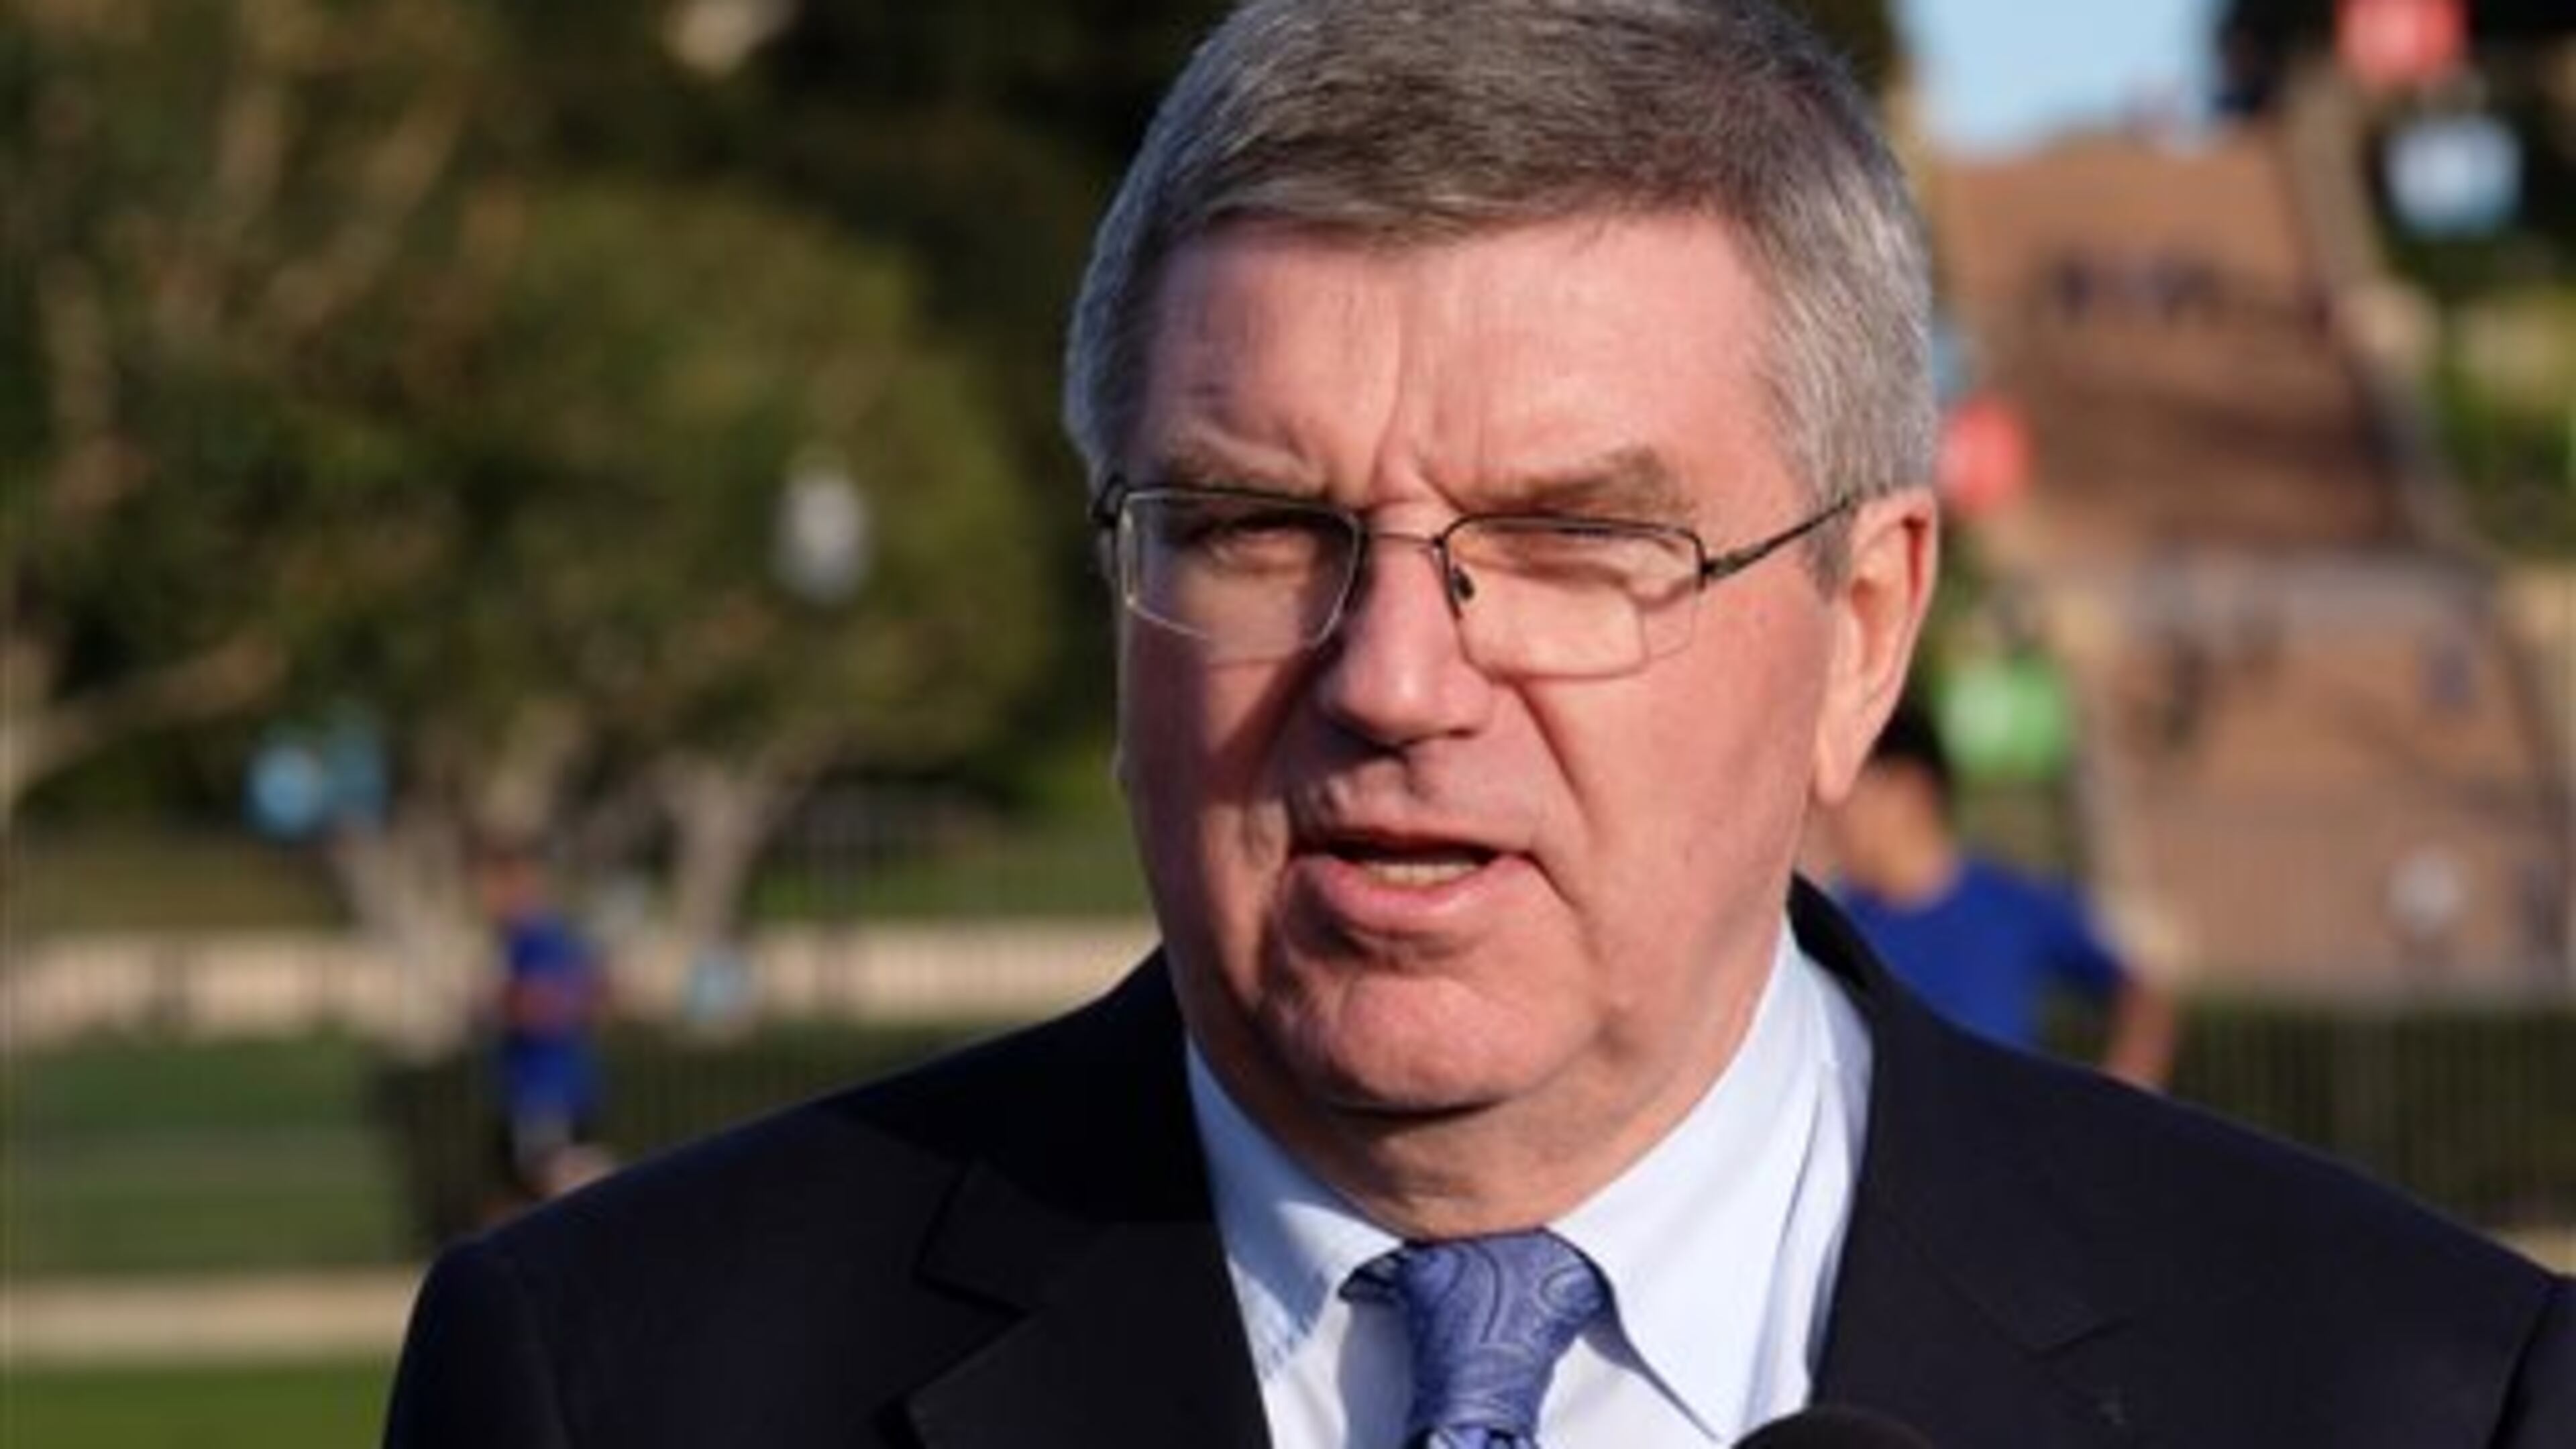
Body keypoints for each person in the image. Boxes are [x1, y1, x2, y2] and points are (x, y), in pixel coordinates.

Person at [385, 2, 2573, 1445]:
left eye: (1567, 543)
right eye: (1255, 526)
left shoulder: (2408, 1396)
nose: (1397, 677)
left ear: (1862, 630)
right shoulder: (616, 1389)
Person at [1821, 702, 2177, 1089]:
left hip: (2000, 1141)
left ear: (1911, 791)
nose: (1833, 810)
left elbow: (2141, 991)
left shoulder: (2010, 905)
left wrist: (2123, 1092)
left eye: (1854, 788)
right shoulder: (1836, 928)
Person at [473, 840, 614, 1208]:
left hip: (546, 1091)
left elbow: (549, 1004)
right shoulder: (535, 939)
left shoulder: (537, 941)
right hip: (534, 1088)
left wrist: (500, 1003)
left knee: (554, 1185)